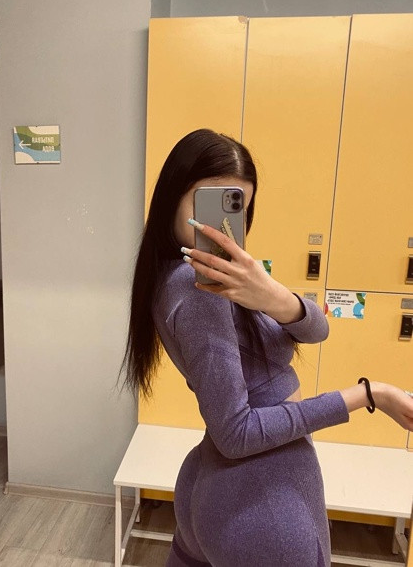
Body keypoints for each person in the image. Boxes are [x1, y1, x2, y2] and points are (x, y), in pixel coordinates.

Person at [121, 129, 413, 567]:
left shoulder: (197, 279)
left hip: (220, 486)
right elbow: (236, 433)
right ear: (172, 198)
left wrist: (273, 296)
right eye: (208, 202)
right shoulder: (199, 290)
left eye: (236, 207)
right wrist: (368, 395)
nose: (220, 225)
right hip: (262, 505)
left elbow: (317, 331)